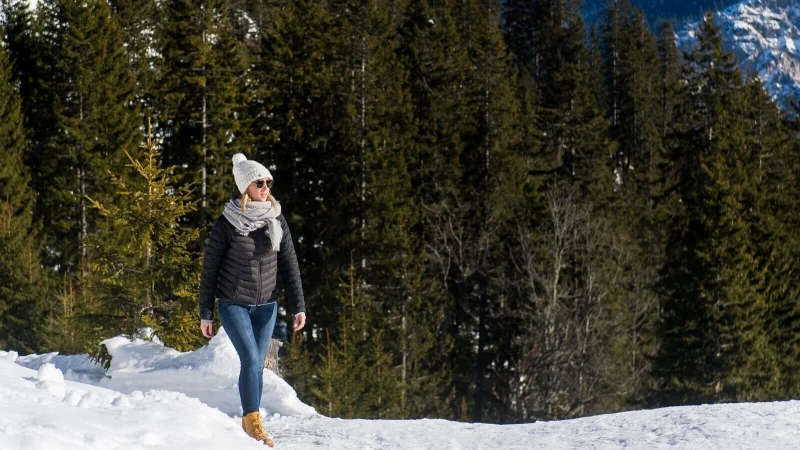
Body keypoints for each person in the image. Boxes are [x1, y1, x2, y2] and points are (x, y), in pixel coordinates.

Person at [199, 153, 307, 447]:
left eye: (268, 182)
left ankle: (253, 419)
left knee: (258, 364)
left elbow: (289, 264)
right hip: (234, 303)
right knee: (249, 359)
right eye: (260, 183)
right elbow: (210, 270)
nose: (266, 188)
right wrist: (205, 312)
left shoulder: (276, 217)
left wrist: (298, 306)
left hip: (267, 305)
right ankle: (252, 424)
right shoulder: (227, 223)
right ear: (245, 186)